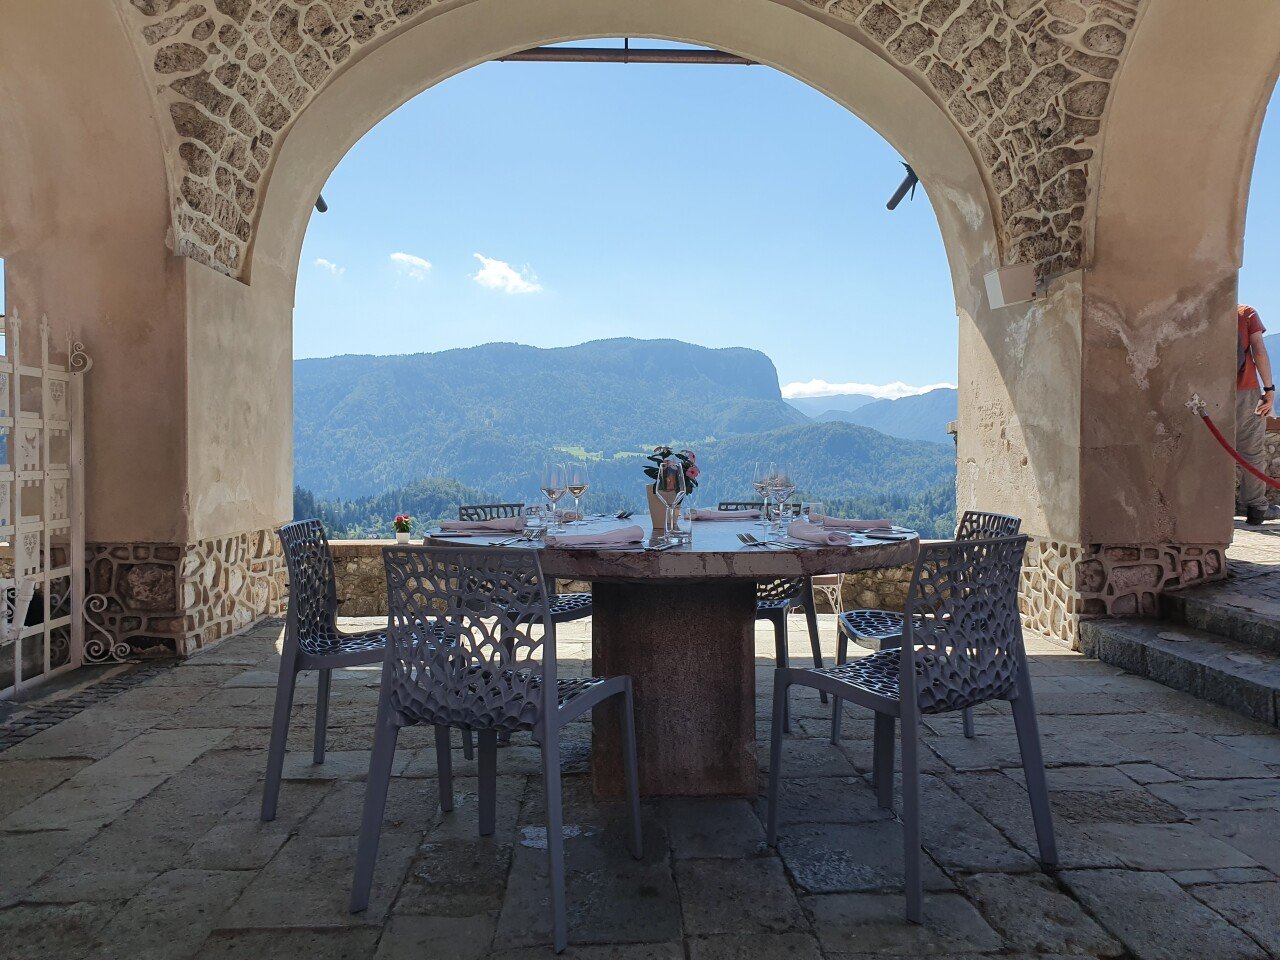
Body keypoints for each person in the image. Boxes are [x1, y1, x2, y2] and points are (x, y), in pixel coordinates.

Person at [1236, 304, 1279, 524]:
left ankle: (1209, 505)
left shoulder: (1202, 309)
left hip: (1206, 391)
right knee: (1251, 450)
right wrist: (1269, 390)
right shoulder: (1245, 312)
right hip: (1244, 390)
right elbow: (1259, 350)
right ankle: (1255, 507)